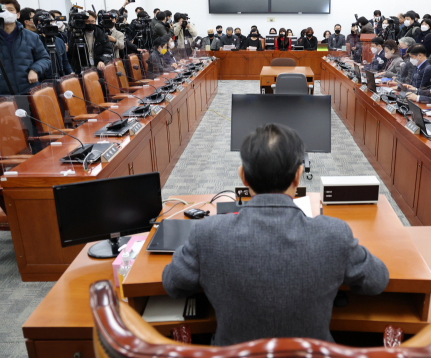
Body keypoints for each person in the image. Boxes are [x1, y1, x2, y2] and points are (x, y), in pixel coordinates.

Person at [162, 123, 389, 346]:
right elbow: (378, 280)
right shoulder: (334, 235)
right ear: (298, 175)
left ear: (243, 177)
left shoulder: (207, 234)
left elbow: (172, 284)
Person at [0, 0, 50, 96]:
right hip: (3, 93)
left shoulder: (31, 37)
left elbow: (44, 58)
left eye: (10, 10)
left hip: (30, 90)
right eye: (3, 10)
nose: (6, 13)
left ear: (18, 15)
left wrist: (34, 70)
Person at [31, 10, 74, 79]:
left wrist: (71, 74)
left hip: (60, 80)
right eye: (49, 22)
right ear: (39, 23)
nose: (52, 24)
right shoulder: (34, 41)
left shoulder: (59, 41)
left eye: (52, 21)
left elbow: (65, 62)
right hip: (43, 82)